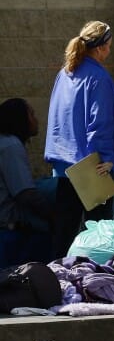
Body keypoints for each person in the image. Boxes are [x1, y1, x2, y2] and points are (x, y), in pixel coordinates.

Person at [44, 21, 114, 237]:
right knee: (98, 237)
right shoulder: (99, 78)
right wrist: (107, 160)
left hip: (64, 167)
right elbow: (101, 123)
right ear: (100, 48)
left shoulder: (65, 74)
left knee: (64, 234)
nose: (110, 50)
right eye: (109, 45)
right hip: (92, 167)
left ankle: (58, 272)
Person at [0, 99, 54, 266]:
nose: (35, 119)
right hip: (9, 232)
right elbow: (25, 194)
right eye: (31, 114)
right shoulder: (10, 145)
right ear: (19, 119)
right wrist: (54, 216)